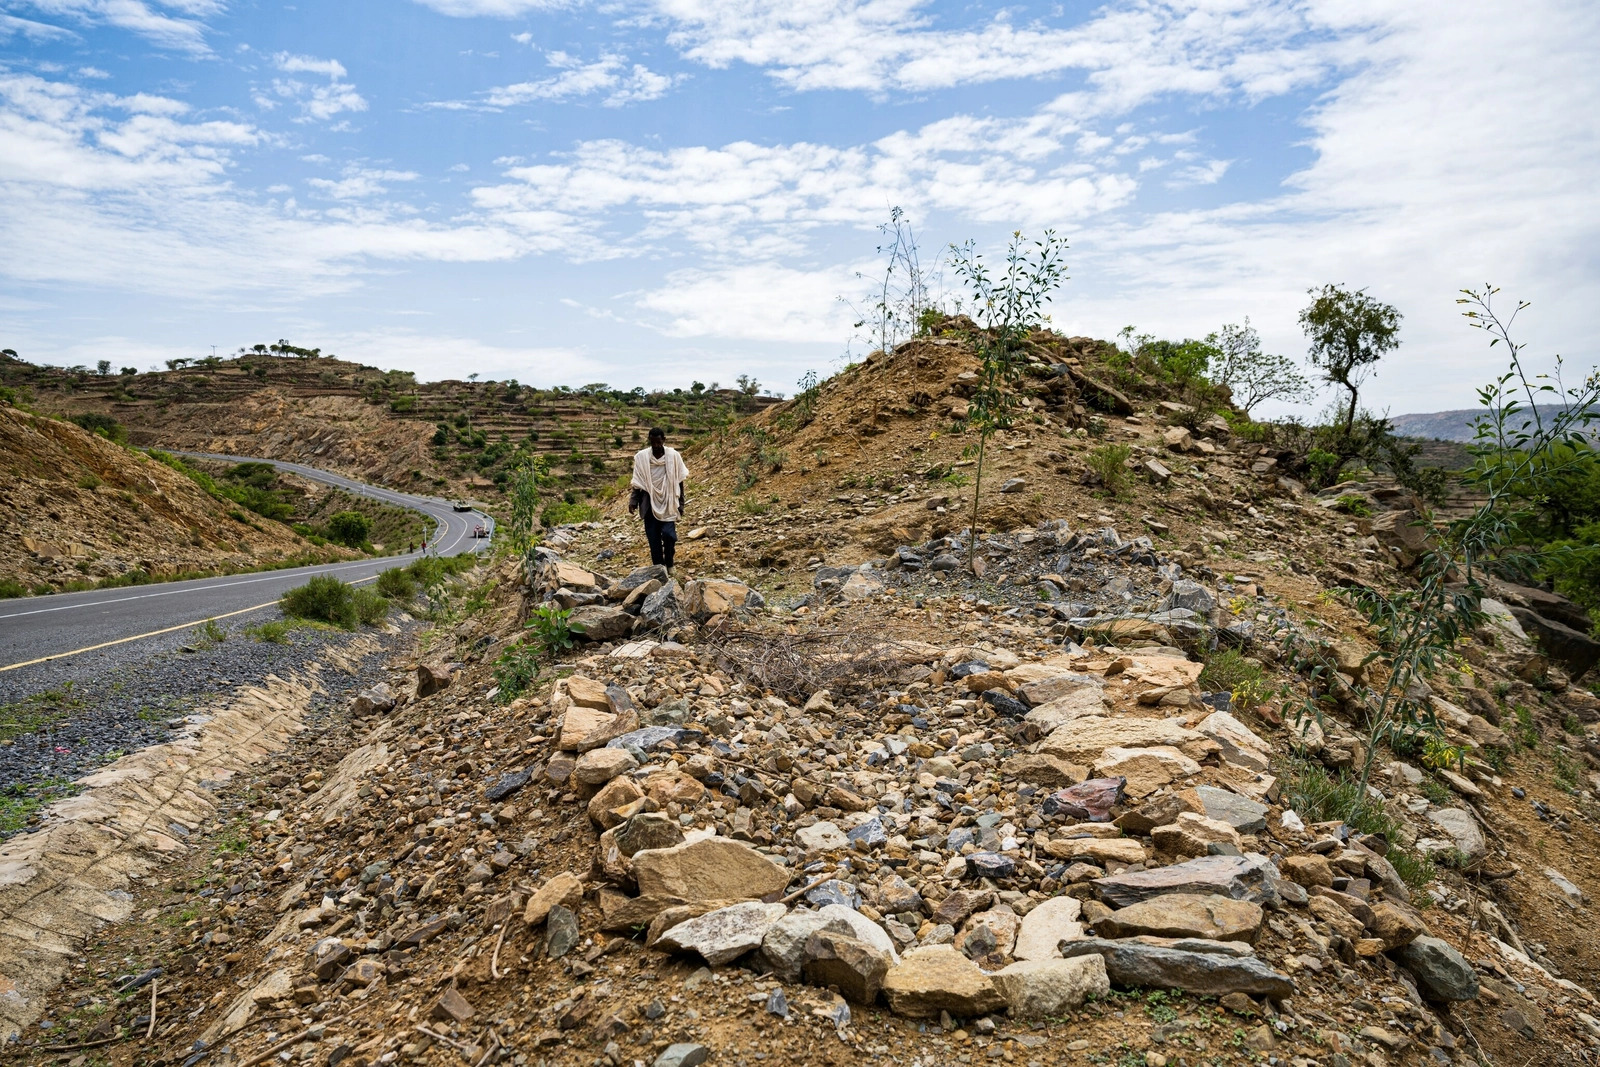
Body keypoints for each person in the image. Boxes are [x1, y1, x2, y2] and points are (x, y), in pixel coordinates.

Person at [629, 427, 688, 571]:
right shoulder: (642, 457)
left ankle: (669, 563)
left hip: (668, 502)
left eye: (658, 442)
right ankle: (658, 568)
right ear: (649, 441)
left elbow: (679, 480)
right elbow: (638, 482)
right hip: (648, 503)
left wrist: (681, 503)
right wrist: (633, 501)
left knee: (669, 535)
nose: (655, 446)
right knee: (653, 539)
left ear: (664, 440)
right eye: (653, 442)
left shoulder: (673, 456)